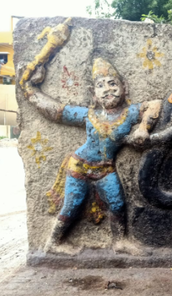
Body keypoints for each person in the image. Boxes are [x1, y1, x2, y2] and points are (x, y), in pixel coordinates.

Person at [23, 58, 161, 252]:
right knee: (73, 204)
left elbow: (155, 104)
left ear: (125, 87)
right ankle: (53, 243)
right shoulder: (89, 115)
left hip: (105, 169)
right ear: (93, 93)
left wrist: (144, 128)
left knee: (118, 203)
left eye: (113, 84)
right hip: (80, 165)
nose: (108, 89)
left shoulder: (129, 113)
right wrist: (30, 90)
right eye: (100, 86)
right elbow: (56, 111)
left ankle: (119, 241)